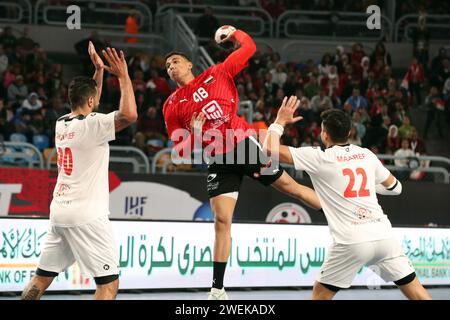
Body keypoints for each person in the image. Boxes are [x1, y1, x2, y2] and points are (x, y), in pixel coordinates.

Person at [163, 26, 321, 300]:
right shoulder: (172, 105)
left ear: (189, 63)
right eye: (167, 66)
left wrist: (235, 32)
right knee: (221, 221)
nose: (171, 67)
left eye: (175, 61)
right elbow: (180, 148)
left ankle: (343, 209)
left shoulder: (217, 73)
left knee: (291, 187)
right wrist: (197, 136)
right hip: (217, 159)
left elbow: (248, 48)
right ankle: (217, 289)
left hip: (243, 146)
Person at [263, 96, 431, 300]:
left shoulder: (320, 157)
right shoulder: (366, 155)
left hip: (351, 241)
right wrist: (369, 187)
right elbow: (396, 188)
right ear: (350, 133)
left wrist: (279, 121)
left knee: (320, 295)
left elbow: (270, 149)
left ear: (324, 135)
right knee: (417, 293)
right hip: (383, 235)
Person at [20, 42, 138, 300]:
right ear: (91, 100)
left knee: (40, 279)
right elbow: (129, 115)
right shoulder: (93, 125)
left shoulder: (61, 124)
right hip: (88, 216)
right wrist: (124, 76)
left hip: (60, 212)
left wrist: (99, 70)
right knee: (108, 285)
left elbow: (90, 102)